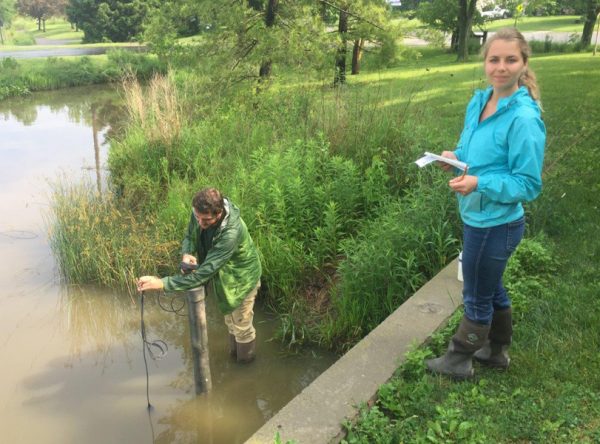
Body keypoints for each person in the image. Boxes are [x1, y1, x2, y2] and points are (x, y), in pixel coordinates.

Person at [426, 28, 546, 379]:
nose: (501, 67)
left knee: (476, 291)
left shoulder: (523, 118)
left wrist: (479, 182)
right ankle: (496, 351)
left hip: (498, 222)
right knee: (489, 285)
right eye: (494, 59)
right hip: (477, 214)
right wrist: (455, 158)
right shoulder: (479, 102)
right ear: (485, 62)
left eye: (511, 59)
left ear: (524, 63)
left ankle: (459, 358)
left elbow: (527, 183)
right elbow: (475, 154)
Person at [137, 187, 262, 363]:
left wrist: (162, 283)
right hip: (224, 275)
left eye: (206, 220)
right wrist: (187, 253)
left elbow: (203, 274)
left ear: (219, 214)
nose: (200, 223)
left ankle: (245, 368)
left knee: (242, 326)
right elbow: (190, 235)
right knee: (231, 322)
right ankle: (235, 358)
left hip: (242, 278)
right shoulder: (200, 212)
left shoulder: (231, 233)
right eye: (197, 218)